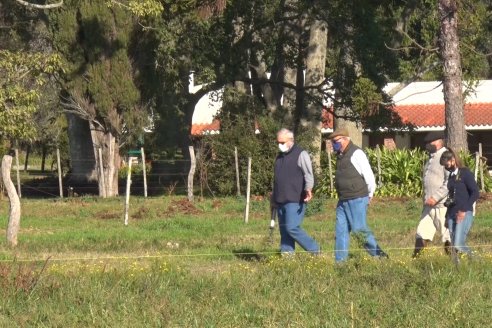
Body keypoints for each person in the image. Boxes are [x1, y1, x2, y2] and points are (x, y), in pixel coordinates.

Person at [328, 127, 388, 262]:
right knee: (341, 231)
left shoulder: (356, 153)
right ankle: (340, 263)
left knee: (359, 230)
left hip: (357, 197)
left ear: (345, 139)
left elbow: (368, 175)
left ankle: (379, 255)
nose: (333, 144)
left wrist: (370, 194)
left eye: (335, 141)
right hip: (343, 199)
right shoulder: (340, 155)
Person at [272, 128, 320, 255]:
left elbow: (308, 174)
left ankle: (314, 249)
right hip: (280, 199)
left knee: (292, 228)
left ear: (290, 141)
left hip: (295, 199)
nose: (279, 145)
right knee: (284, 231)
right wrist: (273, 199)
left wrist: (308, 189)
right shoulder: (279, 157)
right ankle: (287, 257)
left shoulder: (301, 154)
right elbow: (276, 180)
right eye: (278, 142)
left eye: (282, 142)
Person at [412, 131, 452, 257]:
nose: (428, 145)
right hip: (429, 207)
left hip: (443, 206)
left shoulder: (446, 156)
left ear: (439, 142)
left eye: (430, 142)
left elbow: (449, 182)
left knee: (449, 238)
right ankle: (415, 263)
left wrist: (435, 197)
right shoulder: (432, 157)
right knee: (421, 234)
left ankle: (457, 265)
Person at [439, 149, 479, 259]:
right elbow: (451, 197)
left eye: (446, 164)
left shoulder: (465, 173)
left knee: (459, 244)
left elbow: (475, 193)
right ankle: (456, 269)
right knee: (453, 246)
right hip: (452, 213)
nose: (445, 167)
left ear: (453, 160)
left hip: (464, 213)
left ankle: (477, 260)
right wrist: (447, 217)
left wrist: (464, 210)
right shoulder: (451, 177)